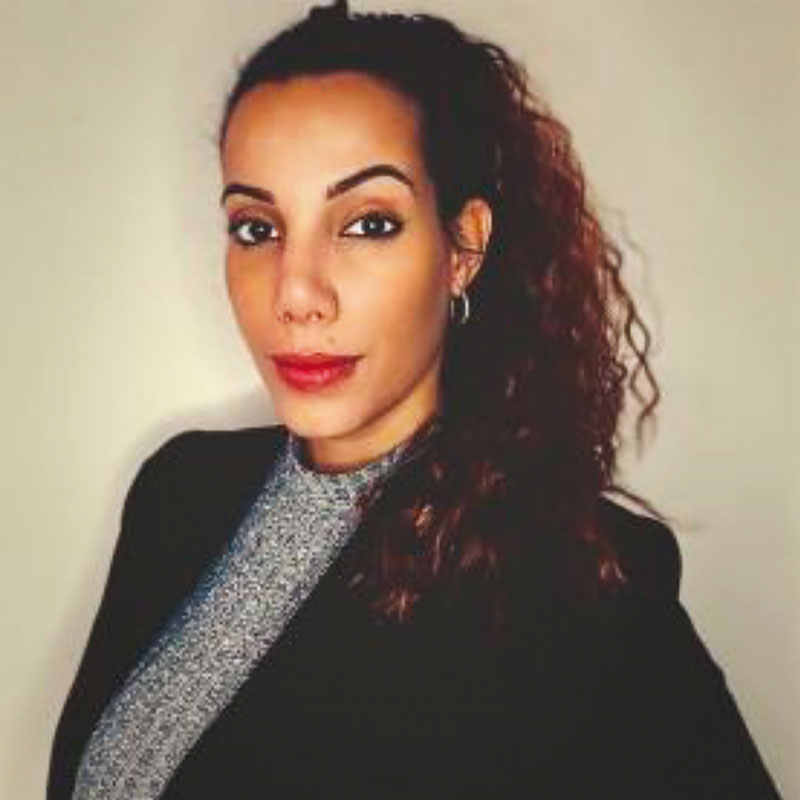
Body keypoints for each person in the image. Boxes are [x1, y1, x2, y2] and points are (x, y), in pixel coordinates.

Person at [48, 2, 781, 797]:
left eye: (367, 224)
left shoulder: (586, 586)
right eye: (257, 228)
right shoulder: (177, 491)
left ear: (462, 247)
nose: (296, 294)